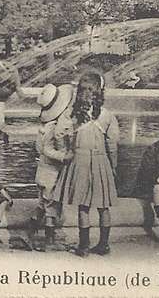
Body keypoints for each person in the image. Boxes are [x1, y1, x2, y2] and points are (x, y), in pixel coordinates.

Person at [51, 74, 119, 257]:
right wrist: (113, 167)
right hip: (100, 160)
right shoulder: (107, 115)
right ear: (99, 92)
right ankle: (104, 245)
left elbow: (58, 135)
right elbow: (112, 145)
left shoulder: (70, 114)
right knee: (104, 206)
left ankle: (84, 247)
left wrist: (66, 151)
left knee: (83, 206)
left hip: (78, 160)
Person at [30, 83, 75, 251]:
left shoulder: (43, 128)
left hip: (41, 170)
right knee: (51, 207)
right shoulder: (54, 129)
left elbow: (39, 149)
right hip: (51, 172)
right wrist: (64, 156)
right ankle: (49, 240)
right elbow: (47, 149)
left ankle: (31, 233)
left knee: (42, 204)